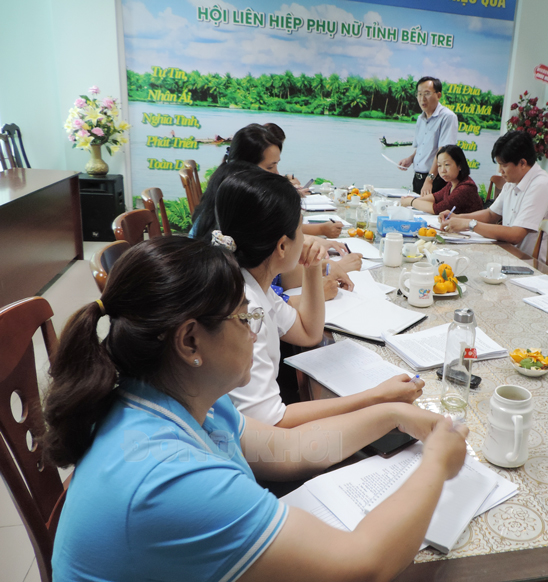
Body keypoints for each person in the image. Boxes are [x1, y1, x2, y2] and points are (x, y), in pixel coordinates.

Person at [44, 236, 468, 582]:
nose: (256, 333)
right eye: (246, 320)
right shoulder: (169, 478)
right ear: (190, 341)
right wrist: (436, 465)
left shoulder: (171, 396)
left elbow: (289, 450)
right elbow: (364, 564)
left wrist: (392, 415)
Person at [213, 168, 424, 426]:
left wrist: (313, 268)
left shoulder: (253, 283)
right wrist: (376, 396)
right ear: (281, 246)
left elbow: (308, 333)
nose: (308, 238)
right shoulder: (247, 309)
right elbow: (273, 422)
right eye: (300, 229)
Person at [192, 160, 357, 303]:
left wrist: (319, 266)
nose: (278, 174)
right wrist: (317, 287)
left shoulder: (239, 262)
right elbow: (304, 331)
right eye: (271, 167)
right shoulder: (249, 297)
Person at [192, 124, 344, 240]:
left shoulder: (228, 182)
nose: (277, 174)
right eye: (270, 166)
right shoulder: (242, 200)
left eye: (276, 164)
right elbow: (279, 236)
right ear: (245, 166)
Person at [440, 131, 548, 258]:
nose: (500, 171)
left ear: (522, 163)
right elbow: (491, 214)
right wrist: (458, 217)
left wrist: (470, 224)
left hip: (532, 264)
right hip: (509, 252)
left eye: (504, 165)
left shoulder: (540, 185)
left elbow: (516, 235)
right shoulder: (513, 180)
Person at [398, 76, 458, 196]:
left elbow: (443, 152)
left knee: (432, 214)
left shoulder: (447, 117)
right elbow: (421, 146)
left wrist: (429, 180)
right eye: (419, 94)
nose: (422, 99)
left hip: (436, 180)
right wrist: (410, 159)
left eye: (427, 93)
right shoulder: (421, 118)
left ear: (438, 95)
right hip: (418, 178)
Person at [399, 145, 482, 215]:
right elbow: (436, 197)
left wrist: (411, 202)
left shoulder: (466, 187)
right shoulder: (452, 183)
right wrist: (412, 199)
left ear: (459, 165)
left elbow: (438, 209)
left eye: (446, 165)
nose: (442, 170)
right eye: (439, 165)